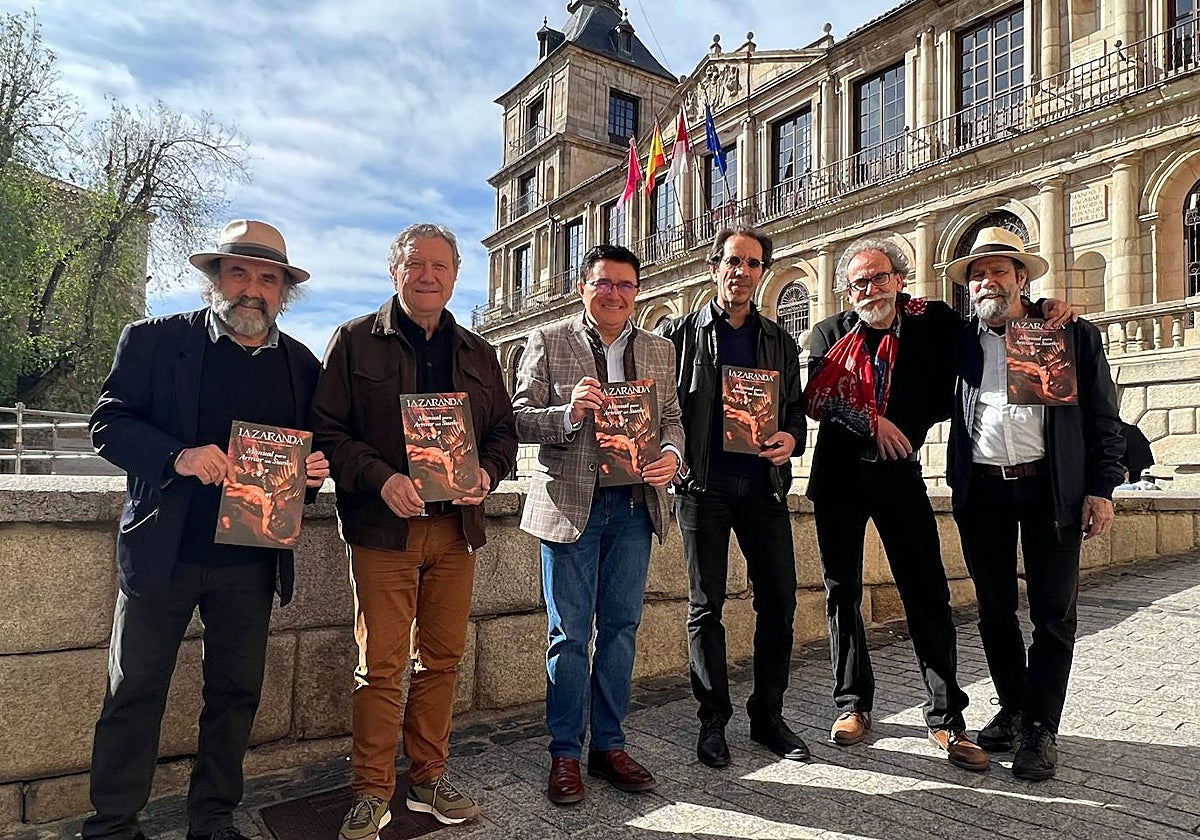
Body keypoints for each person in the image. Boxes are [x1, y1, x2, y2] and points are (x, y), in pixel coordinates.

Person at [84, 219, 329, 840]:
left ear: (283, 291)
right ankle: (113, 825)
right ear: (214, 280)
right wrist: (178, 456)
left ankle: (212, 818)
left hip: (250, 559)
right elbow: (108, 425)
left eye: (268, 278)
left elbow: (305, 461)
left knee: (235, 693)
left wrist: (313, 475)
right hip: (163, 551)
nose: (253, 289)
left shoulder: (302, 365)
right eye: (240, 273)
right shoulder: (153, 341)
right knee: (134, 689)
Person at [313, 224, 517, 837]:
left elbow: (502, 434)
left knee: (442, 660)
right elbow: (326, 432)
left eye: (441, 266)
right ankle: (371, 789)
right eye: (415, 264)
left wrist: (489, 471)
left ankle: (428, 776)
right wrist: (380, 479)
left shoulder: (479, 353)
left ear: (456, 275)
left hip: (456, 532)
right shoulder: (353, 342)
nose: (428, 276)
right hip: (384, 532)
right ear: (393, 270)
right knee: (380, 666)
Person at [805, 236, 996, 771]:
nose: (871, 289)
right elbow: (816, 396)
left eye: (880, 277)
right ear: (849, 290)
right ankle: (852, 705)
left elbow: (987, 332)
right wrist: (871, 421)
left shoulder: (931, 323)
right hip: (839, 478)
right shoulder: (830, 332)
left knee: (927, 591)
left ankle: (946, 718)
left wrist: (1045, 311)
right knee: (842, 591)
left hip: (899, 477)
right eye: (860, 282)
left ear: (900, 279)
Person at [945, 226, 1124, 780]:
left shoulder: (1067, 334)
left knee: (1053, 615)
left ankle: (1042, 728)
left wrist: (1101, 487)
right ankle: (1015, 708)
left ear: (1022, 277)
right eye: (977, 273)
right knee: (995, 610)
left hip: (1050, 488)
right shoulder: (961, 341)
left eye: (999, 270)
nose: (987, 280)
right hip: (983, 488)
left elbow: (1103, 417)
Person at [513, 244, 684, 805]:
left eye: (625, 285)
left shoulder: (660, 349)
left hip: (634, 507)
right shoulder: (548, 340)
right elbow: (516, 418)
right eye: (603, 283)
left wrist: (671, 456)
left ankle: (609, 745)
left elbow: (674, 421)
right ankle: (565, 753)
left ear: (638, 293)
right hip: (571, 509)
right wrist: (568, 414)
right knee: (568, 635)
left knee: (621, 630)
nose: (614, 293)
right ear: (583, 287)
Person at [658, 226, 809, 769]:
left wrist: (792, 439)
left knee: (781, 601)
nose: (740, 272)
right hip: (703, 489)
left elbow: (794, 413)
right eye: (732, 261)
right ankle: (712, 719)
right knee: (706, 607)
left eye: (751, 263)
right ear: (713, 266)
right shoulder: (680, 335)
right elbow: (662, 409)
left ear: (762, 272)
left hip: (762, 488)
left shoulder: (780, 341)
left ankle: (768, 717)